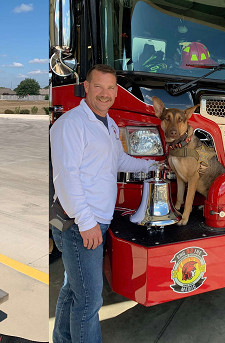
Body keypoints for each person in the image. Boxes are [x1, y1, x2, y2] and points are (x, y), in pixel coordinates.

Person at [50, 64, 156, 343]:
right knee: (88, 302)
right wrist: (86, 224)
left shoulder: (108, 124)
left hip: (96, 219)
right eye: (99, 86)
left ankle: (61, 339)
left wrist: (154, 165)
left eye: (111, 88)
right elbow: (66, 178)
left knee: (73, 289)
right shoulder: (71, 124)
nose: (105, 94)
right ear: (86, 87)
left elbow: (119, 161)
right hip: (80, 224)